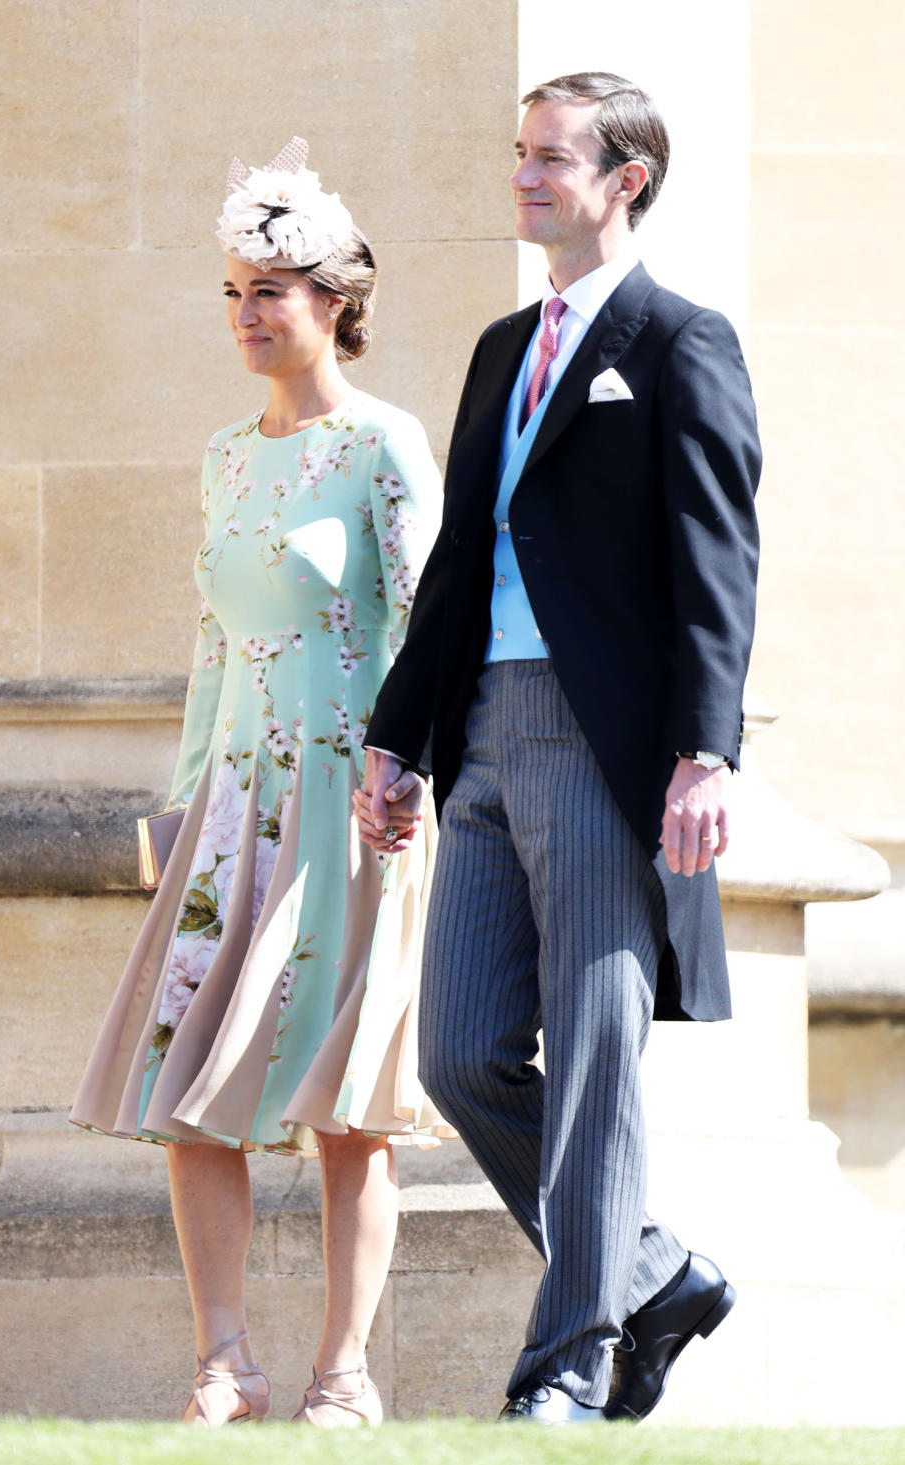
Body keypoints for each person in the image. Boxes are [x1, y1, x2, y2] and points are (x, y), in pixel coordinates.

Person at [355, 72, 761, 1424]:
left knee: (594, 1057)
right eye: (517, 154)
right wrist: (397, 737)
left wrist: (707, 752)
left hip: (603, 747)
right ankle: (657, 1271)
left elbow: (719, 568)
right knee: (460, 1051)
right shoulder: (498, 350)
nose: (523, 178)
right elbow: (459, 561)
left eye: (551, 159)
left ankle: (571, 1358)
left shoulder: (677, 343)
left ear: (625, 177)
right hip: (479, 729)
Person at [70, 136, 447, 1428]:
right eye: (232, 291)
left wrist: (414, 779)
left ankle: (346, 1372)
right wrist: (177, 811)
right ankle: (223, 1360)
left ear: (331, 302)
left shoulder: (385, 446)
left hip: (359, 804)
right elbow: (210, 647)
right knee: (191, 1092)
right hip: (230, 810)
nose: (244, 314)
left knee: (347, 1108)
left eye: (268, 291)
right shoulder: (228, 456)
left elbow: (428, 632)